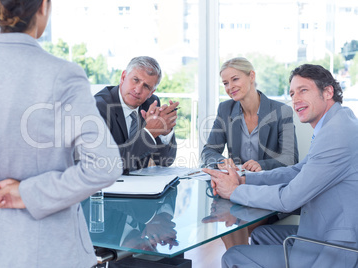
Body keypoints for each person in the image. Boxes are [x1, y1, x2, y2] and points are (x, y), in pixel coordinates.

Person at [0, 0, 122, 267]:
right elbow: (105, 166)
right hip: (52, 252)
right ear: (43, 6)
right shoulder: (63, 75)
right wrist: (29, 193)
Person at [203, 64, 358, 268]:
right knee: (261, 234)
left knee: (233, 257)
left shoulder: (336, 133)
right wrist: (245, 179)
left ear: (328, 91)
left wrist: (235, 191)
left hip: (335, 246)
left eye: (304, 90)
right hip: (323, 228)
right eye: (293, 93)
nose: (296, 100)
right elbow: (297, 170)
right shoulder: (336, 121)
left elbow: (288, 199)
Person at [201, 57, 299, 249]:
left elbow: (290, 158)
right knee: (227, 219)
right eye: (225, 83)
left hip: (268, 190)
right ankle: (240, 260)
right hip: (237, 188)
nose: (230, 87)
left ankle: (240, 260)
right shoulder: (225, 109)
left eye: (235, 79)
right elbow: (209, 151)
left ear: (251, 76)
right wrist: (221, 161)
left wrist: (262, 165)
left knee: (234, 223)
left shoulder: (281, 111)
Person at [95, 56, 178, 174]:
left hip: (141, 187)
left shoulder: (150, 103)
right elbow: (105, 162)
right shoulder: (98, 107)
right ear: (123, 77)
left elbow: (164, 161)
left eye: (146, 86)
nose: (138, 90)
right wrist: (149, 133)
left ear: (151, 93)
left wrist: (164, 132)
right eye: (135, 80)